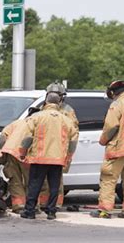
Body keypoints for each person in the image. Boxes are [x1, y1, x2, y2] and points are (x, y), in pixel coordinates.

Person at [90, 80, 124, 219]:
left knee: (108, 178)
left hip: (119, 149)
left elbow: (111, 126)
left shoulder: (117, 105)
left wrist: (103, 140)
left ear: (115, 92)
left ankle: (105, 210)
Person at [19, 92, 79, 220]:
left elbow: (27, 138)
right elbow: (73, 141)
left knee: (35, 185)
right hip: (57, 159)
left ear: (46, 102)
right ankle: (51, 211)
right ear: (58, 103)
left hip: (39, 158)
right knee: (54, 186)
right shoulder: (66, 120)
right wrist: (68, 156)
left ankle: (29, 211)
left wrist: (22, 152)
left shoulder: (36, 117)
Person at [0, 107, 46, 213]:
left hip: (11, 153)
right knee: (32, 180)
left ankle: (19, 206)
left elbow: (2, 138)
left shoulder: (16, 123)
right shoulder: (37, 124)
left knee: (15, 180)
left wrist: (4, 154)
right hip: (26, 154)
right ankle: (33, 206)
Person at [43, 81, 79, 209]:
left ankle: (56, 204)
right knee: (45, 180)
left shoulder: (68, 111)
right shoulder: (45, 108)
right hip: (46, 148)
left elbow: (74, 132)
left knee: (56, 180)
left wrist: (69, 152)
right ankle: (43, 203)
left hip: (60, 149)